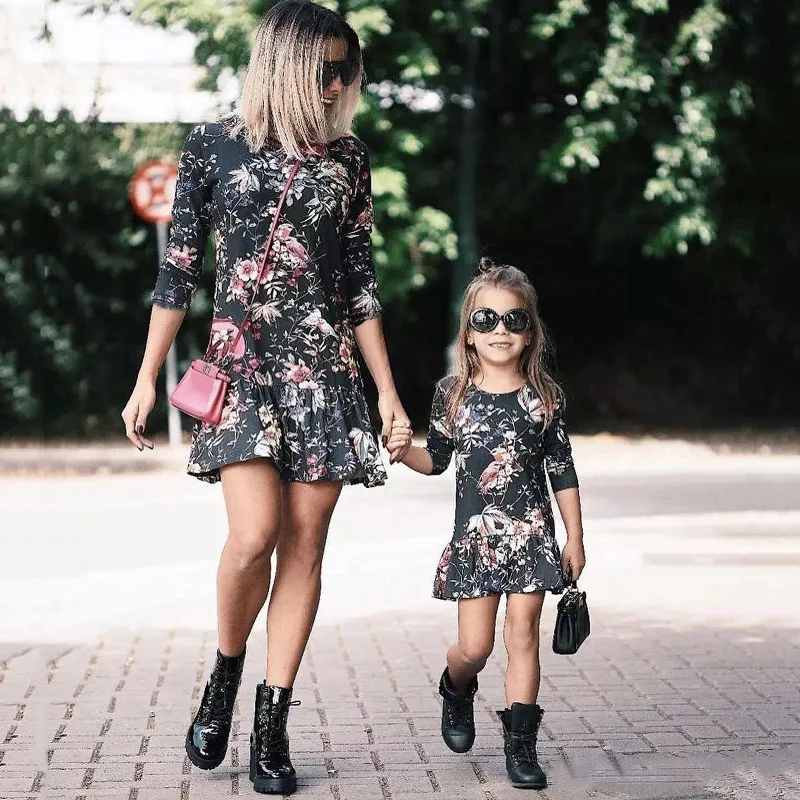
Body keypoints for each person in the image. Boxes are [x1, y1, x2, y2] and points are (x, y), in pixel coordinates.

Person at [120, 1, 413, 794]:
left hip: (323, 373)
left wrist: (389, 394)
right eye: (326, 68)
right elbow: (177, 271)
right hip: (242, 367)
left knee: (306, 543)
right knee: (253, 537)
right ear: (284, 62)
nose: (339, 83)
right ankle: (224, 675)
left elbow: (359, 288)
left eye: (346, 70)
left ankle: (272, 723)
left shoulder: (348, 159)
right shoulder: (214, 144)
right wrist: (148, 375)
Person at [392, 258, 586, 790]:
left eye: (513, 320)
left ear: (530, 333)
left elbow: (562, 469)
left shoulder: (543, 398)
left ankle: (521, 748)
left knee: (522, 636)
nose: (500, 330)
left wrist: (575, 536)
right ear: (469, 333)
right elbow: (436, 459)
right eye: (486, 320)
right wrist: (401, 450)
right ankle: (457, 689)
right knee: (473, 649)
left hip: (532, 537)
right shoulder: (452, 396)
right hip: (476, 542)